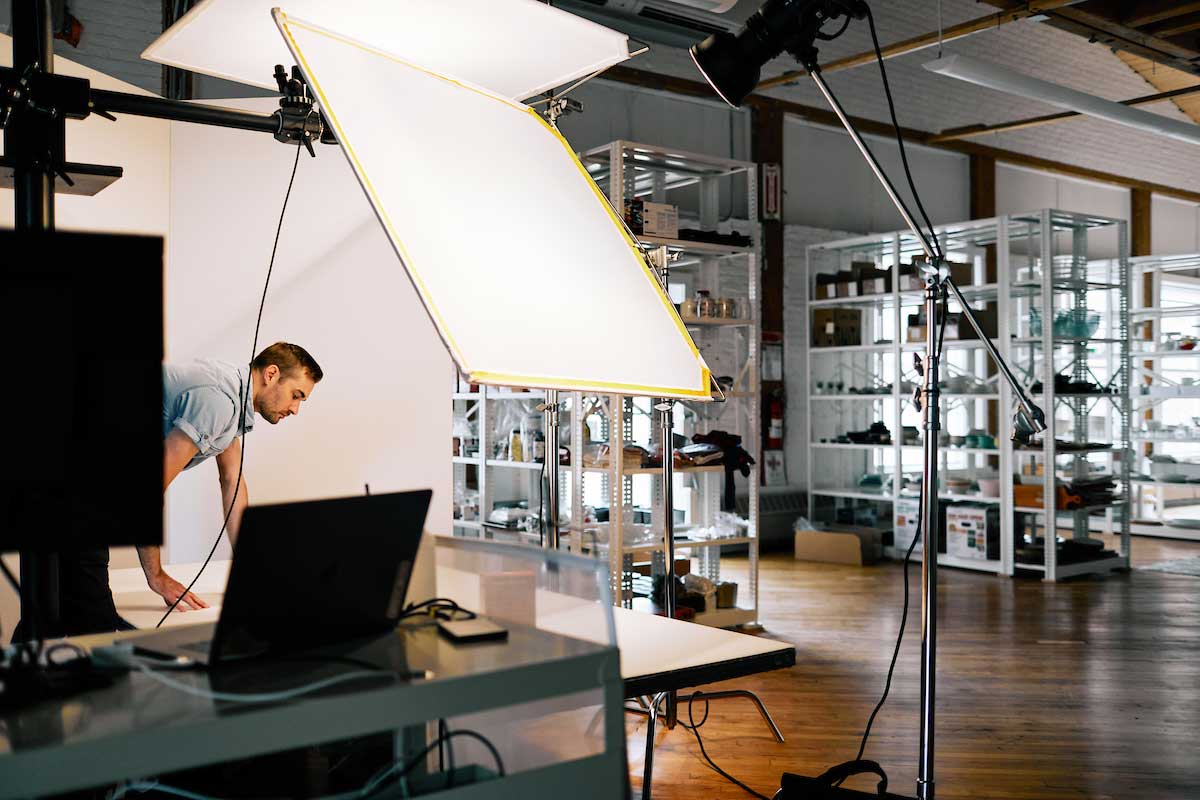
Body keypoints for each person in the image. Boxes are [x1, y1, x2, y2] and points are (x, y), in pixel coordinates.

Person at [38, 342, 324, 638]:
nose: (295, 409)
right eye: (296, 395)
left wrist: (247, 568)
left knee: (52, 607)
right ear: (272, 374)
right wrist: (156, 576)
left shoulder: (232, 399)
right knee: (91, 620)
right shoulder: (220, 401)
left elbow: (232, 483)